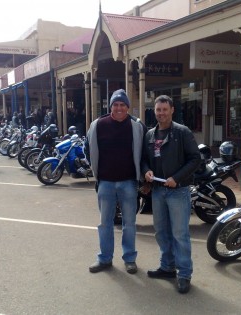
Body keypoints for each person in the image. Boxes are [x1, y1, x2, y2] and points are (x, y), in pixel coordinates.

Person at [141, 95, 201, 294]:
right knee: (161, 232)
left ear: (172, 110)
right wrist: (146, 171)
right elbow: (144, 160)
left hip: (178, 191)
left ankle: (184, 274)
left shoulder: (182, 132)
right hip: (158, 191)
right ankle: (167, 267)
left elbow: (195, 159)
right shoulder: (150, 134)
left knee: (180, 234)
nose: (161, 113)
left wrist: (176, 177)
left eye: (165, 109)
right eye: (158, 110)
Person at [87, 89, 145, 274]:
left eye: (122, 104)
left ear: (128, 107)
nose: (119, 108)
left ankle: (129, 259)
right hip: (106, 183)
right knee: (105, 224)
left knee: (129, 224)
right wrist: (96, 172)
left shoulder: (137, 126)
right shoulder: (97, 125)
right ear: (110, 106)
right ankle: (104, 258)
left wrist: (143, 178)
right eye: (115, 104)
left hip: (129, 183)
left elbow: (144, 152)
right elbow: (87, 149)